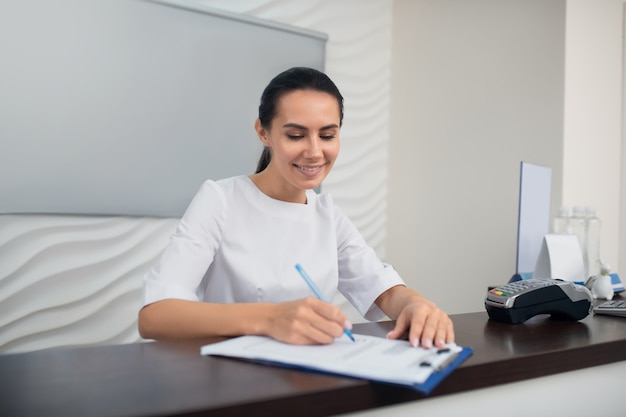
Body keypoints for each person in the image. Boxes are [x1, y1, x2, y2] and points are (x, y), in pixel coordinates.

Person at [138, 67, 454, 348]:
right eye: (296, 135)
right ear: (264, 132)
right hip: (231, 380)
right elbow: (156, 316)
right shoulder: (220, 199)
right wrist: (271, 317)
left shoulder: (327, 215)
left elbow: (383, 290)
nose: (315, 152)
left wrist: (414, 304)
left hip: (307, 381)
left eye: (327, 135)